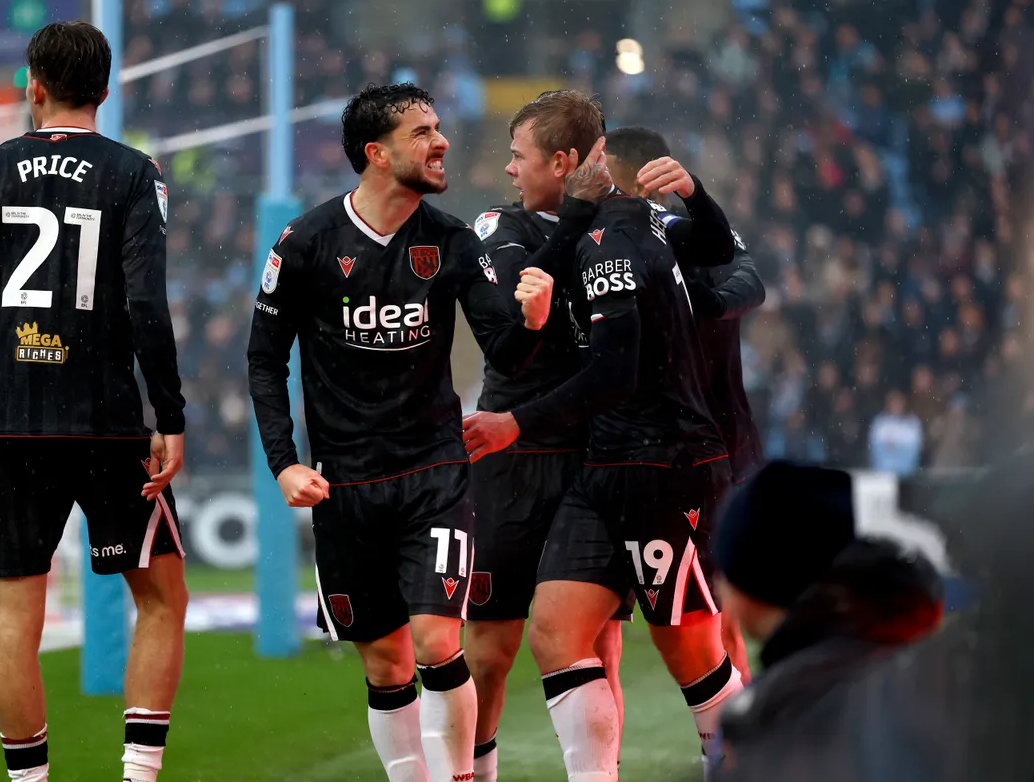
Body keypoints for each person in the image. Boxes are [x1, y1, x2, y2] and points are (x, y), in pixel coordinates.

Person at [245, 82, 556, 782]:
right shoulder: (305, 242)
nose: (441, 142)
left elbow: (505, 353)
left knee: (436, 641)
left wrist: (532, 321)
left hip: (434, 473)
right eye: (422, 132)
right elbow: (264, 360)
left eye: (438, 127)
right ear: (376, 153)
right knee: (386, 664)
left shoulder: (451, 240)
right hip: (345, 484)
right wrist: (284, 462)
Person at [0, 22, 188, 782]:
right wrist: (169, 416)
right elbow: (147, 304)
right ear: (104, 89)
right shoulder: (134, 172)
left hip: (11, 423)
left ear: (33, 87)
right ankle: (138, 775)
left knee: (15, 618)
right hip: (107, 422)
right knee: (161, 599)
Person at [464, 91, 738, 781]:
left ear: (562, 162)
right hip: (564, 459)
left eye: (519, 156)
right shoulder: (508, 225)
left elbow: (729, 262)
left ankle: (760, 761)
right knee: (535, 640)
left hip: (650, 457)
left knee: (681, 648)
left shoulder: (626, 231)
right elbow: (514, 326)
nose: (508, 169)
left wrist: (696, 209)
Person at [603, 125, 766, 682]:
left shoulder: (689, 232)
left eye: (603, 166)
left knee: (718, 614)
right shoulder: (605, 241)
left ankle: (740, 728)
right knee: (607, 625)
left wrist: (700, 304)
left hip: (714, 439)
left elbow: (750, 280)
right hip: (637, 450)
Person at [712, 461, 944, 779]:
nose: (718, 586)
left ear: (757, 583)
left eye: (724, 569)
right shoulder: (911, 653)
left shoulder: (785, 718)